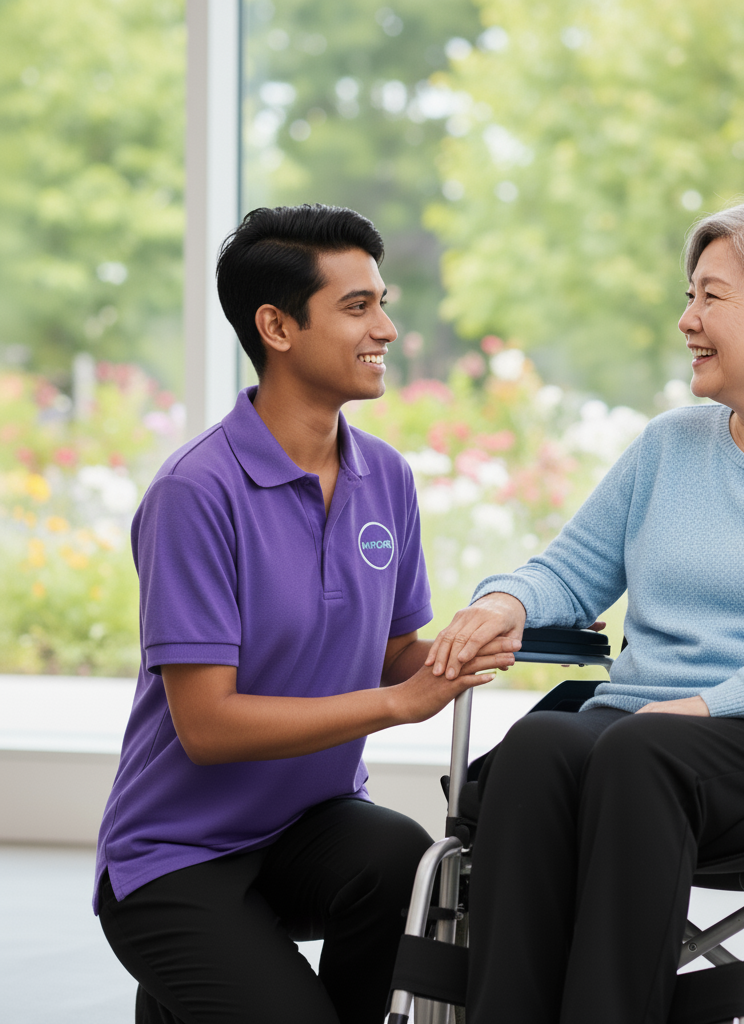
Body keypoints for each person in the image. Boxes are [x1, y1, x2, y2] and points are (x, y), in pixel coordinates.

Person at [426, 198, 744, 1024]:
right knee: (539, 746)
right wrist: (506, 600)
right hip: (645, 725)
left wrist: (716, 701)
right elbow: (571, 570)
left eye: (711, 297)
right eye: (689, 295)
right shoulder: (669, 445)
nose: (686, 319)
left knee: (642, 752)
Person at [93, 204, 518, 1024]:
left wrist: (473, 644)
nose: (386, 329)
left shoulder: (384, 476)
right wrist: (397, 705)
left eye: (382, 303)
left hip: (304, 833)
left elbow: (396, 653)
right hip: (175, 858)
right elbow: (206, 726)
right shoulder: (195, 492)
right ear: (276, 327)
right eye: (358, 307)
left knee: (400, 857)